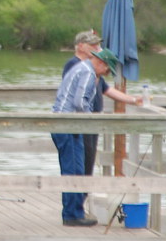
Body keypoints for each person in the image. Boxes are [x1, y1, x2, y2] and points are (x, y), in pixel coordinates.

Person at [51, 47, 120, 227]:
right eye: (107, 70)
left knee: (76, 169)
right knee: (73, 170)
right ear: (102, 63)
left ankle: (74, 212)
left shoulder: (82, 68)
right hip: (67, 125)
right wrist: (92, 119)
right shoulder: (88, 73)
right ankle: (72, 215)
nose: (106, 74)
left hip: (67, 124)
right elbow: (80, 102)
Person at [62, 30, 142, 177]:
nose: (96, 48)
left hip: (93, 120)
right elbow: (76, 96)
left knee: (89, 160)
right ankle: (78, 189)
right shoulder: (74, 65)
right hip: (80, 121)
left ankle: (85, 189)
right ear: (80, 46)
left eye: (97, 45)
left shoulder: (93, 67)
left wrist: (132, 100)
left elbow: (106, 89)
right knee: (79, 163)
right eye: (92, 45)